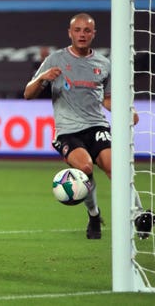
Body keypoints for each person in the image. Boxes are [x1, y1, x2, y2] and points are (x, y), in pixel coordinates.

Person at [24, 12, 152, 239]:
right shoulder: (55, 59)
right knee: (85, 169)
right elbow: (28, 94)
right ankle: (94, 214)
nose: (82, 34)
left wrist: (125, 112)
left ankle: (139, 216)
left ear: (93, 34)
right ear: (69, 33)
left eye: (87, 30)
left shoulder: (103, 64)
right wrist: (43, 77)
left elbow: (107, 99)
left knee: (117, 169)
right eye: (77, 30)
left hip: (97, 127)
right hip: (67, 131)